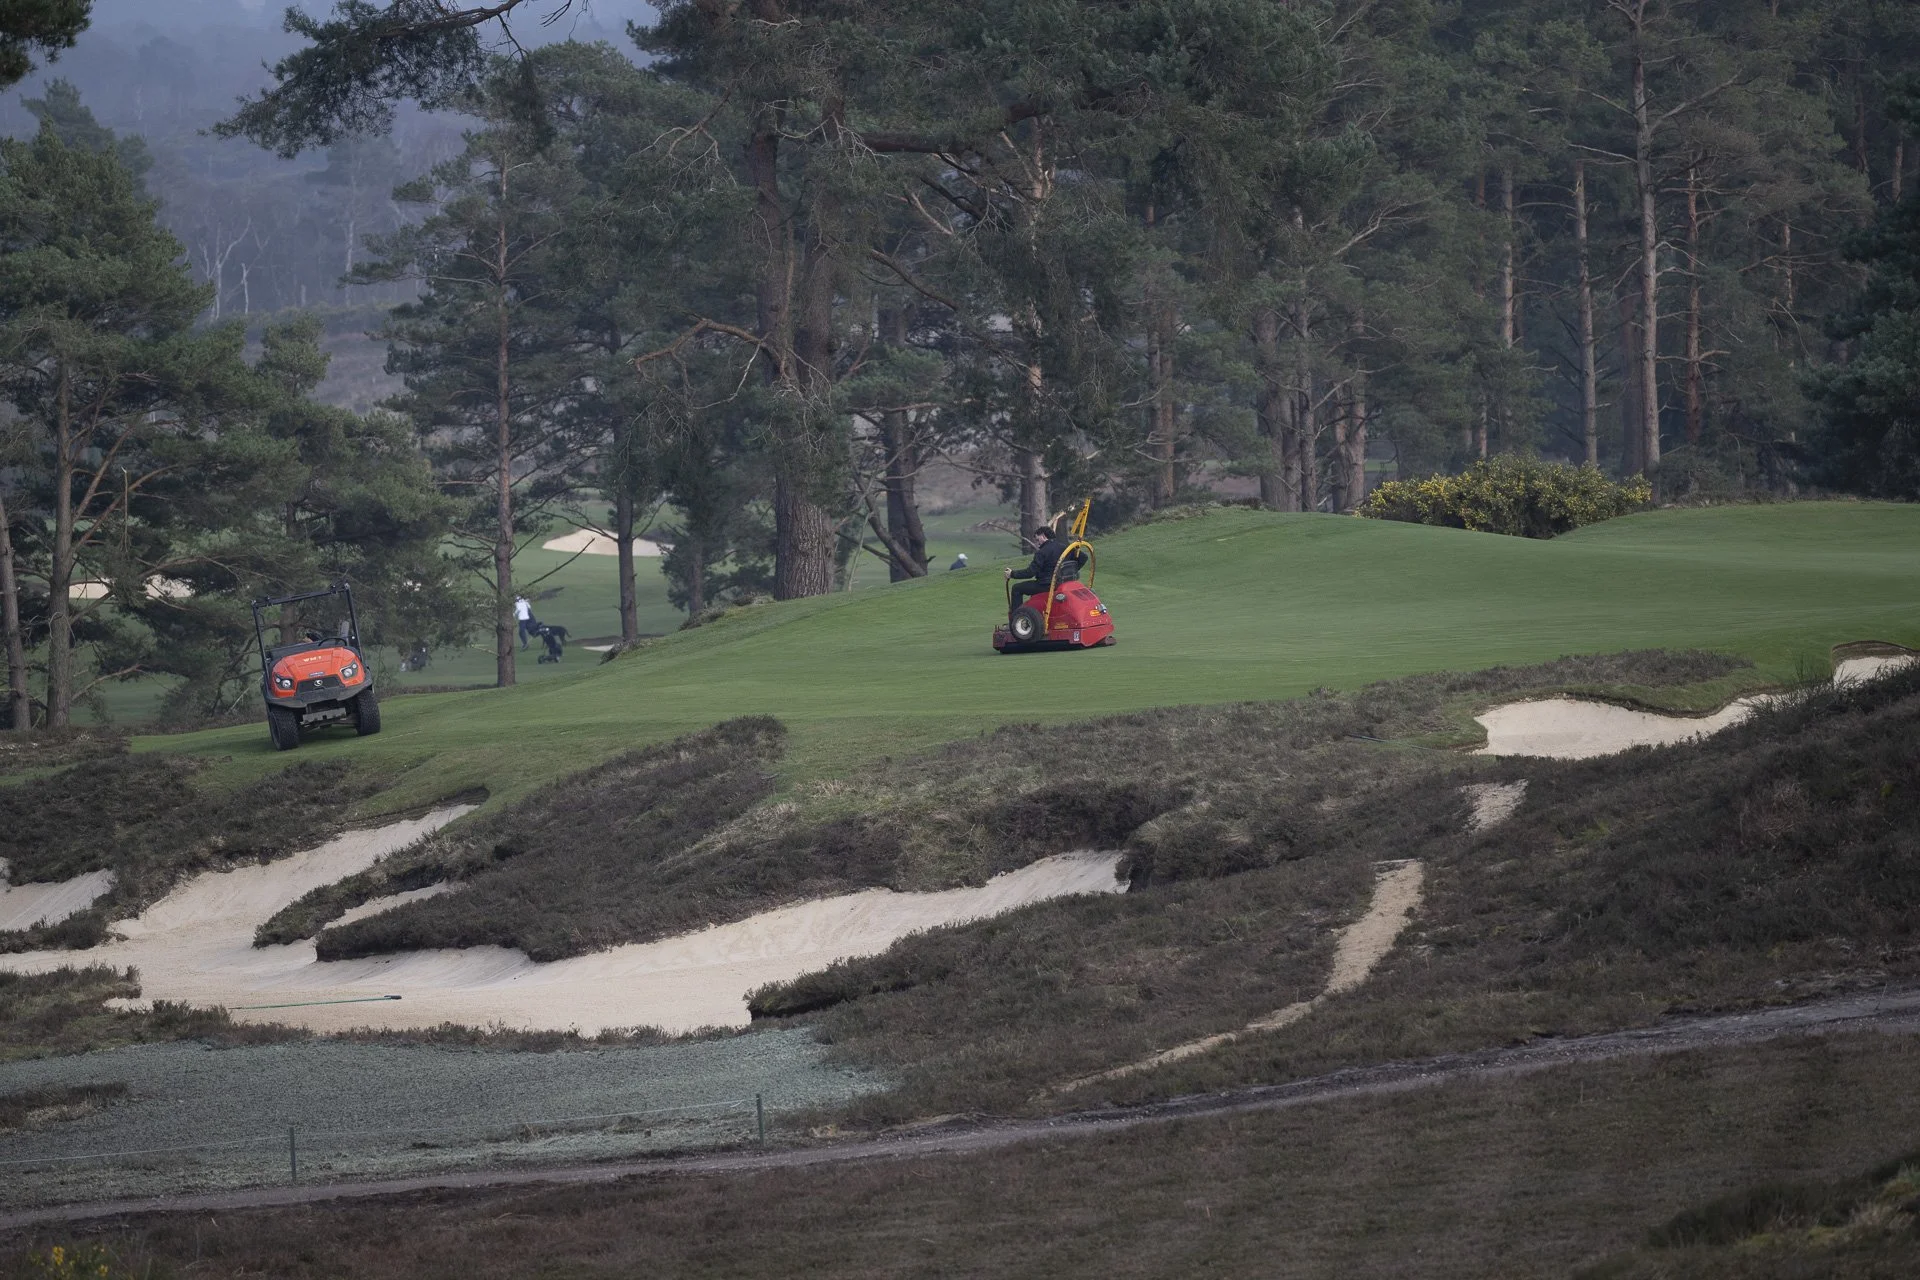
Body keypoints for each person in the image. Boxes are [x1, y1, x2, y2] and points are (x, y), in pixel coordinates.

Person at [1005, 525, 1070, 618]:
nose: (1037, 543)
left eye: (1037, 539)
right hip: (1061, 583)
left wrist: (1012, 574)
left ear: (1043, 536)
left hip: (1046, 585)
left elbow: (1030, 573)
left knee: (1016, 588)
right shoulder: (1064, 547)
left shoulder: (1042, 552)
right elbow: (1083, 557)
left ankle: (1017, 619)